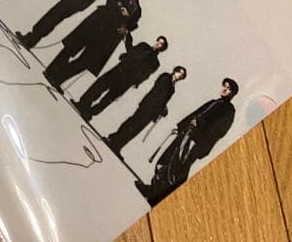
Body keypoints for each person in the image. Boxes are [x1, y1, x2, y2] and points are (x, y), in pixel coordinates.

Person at [138, 78, 239, 206]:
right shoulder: (214, 102)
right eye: (224, 86)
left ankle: (162, 199)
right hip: (186, 135)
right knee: (166, 160)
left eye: (228, 89)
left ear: (233, 94)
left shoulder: (229, 111)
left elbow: (218, 132)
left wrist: (198, 138)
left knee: (176, 170)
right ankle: (152, 191)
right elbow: (196, 114)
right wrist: (180, 127)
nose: (224, 89)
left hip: (195, 143)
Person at [43, 0, 154, 91]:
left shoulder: (137, 11)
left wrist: (125, 27)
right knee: (72, 46)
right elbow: (110, 2)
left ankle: (58, 78)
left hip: (108, 34)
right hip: (97, 22)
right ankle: (51, 71)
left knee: (87, 60)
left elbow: (132, 25)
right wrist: (122, 13)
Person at [75, 36, 169, 123]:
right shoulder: (143, 46)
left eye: (161, 44)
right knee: (100, 85)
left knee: (109, 98)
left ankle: (90, 113)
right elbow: (131, 50)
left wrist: (136, 82)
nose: (158, 44)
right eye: (158, 41)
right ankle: (83, 104)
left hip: (128, 80)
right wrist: (125, 53)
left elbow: (146, 75)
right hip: (120, 69)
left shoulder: (155, 63)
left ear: (162, 49)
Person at [15, 0, 113, 49]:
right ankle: (30, 39)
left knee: (49, 21)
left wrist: (71, 5)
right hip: (67, 5)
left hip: (67, 6)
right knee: (48, 19)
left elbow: (84, 4)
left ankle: (30, 41)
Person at [106, 67, 188, 154]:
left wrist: (161, 110)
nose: (180, 75)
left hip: (153, 111)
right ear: (175, 71)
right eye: (179, 72)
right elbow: (157, 92)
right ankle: (113, 139)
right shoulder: (165, 77)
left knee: (137, 129)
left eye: (182, 75)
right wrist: (160, 106)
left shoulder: (172, 89)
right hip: (148, 105)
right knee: (132, 123)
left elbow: (164, 100)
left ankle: (118, 146)